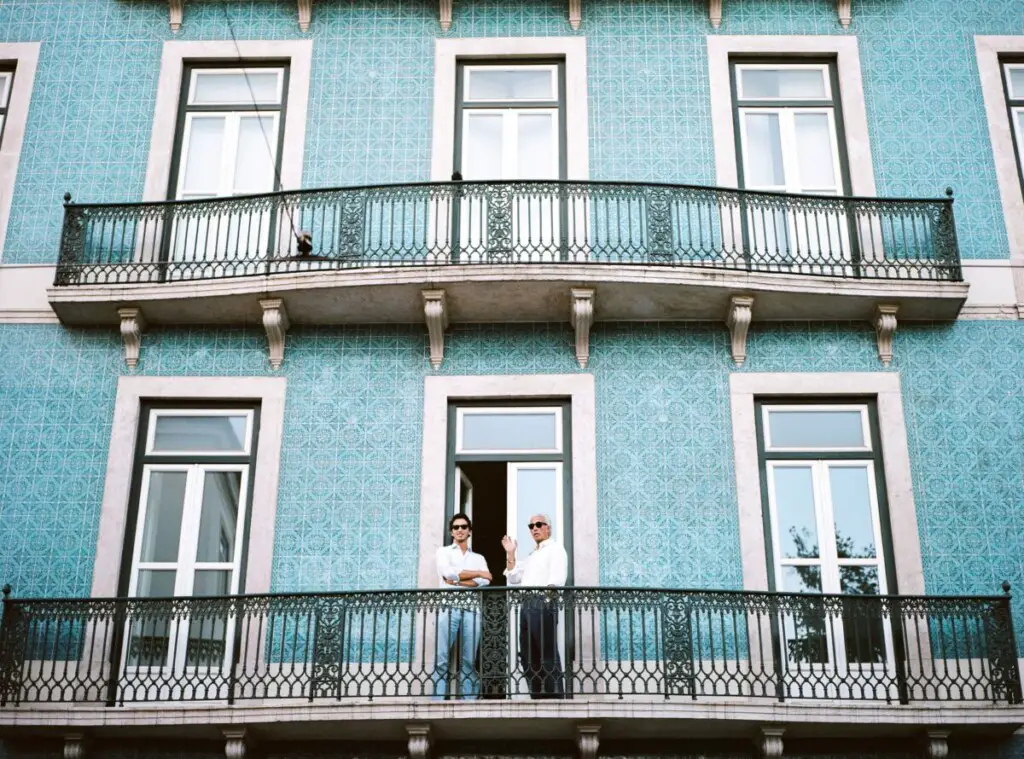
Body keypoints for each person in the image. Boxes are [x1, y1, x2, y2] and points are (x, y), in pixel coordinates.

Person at [501, 513, 568, 699]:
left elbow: (557, 579)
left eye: (539, 524)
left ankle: (555, 697)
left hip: (542, 602)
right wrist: (511, 553)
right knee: (528, 655)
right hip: (526, 604)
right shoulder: (533, 555)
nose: (535, 528)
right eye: (531, 526)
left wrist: (547, 601)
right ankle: (537, 696)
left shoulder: (555, 549)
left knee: (547, 652)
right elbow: (513, 577)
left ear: (548, 528)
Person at [433, 513, 491, 700]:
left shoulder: (479, 557)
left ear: (469, 531)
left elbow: (486, 580)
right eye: (456, 527)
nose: (460, 530)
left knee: (468, 659)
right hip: (448, 607)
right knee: (442, 658)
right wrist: (477, 574)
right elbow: (447, 572)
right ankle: (438, 700)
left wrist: (458, 581)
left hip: (471, 610)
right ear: (451, 531)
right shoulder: (443, 552)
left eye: (463, 527)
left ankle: (469, 700)